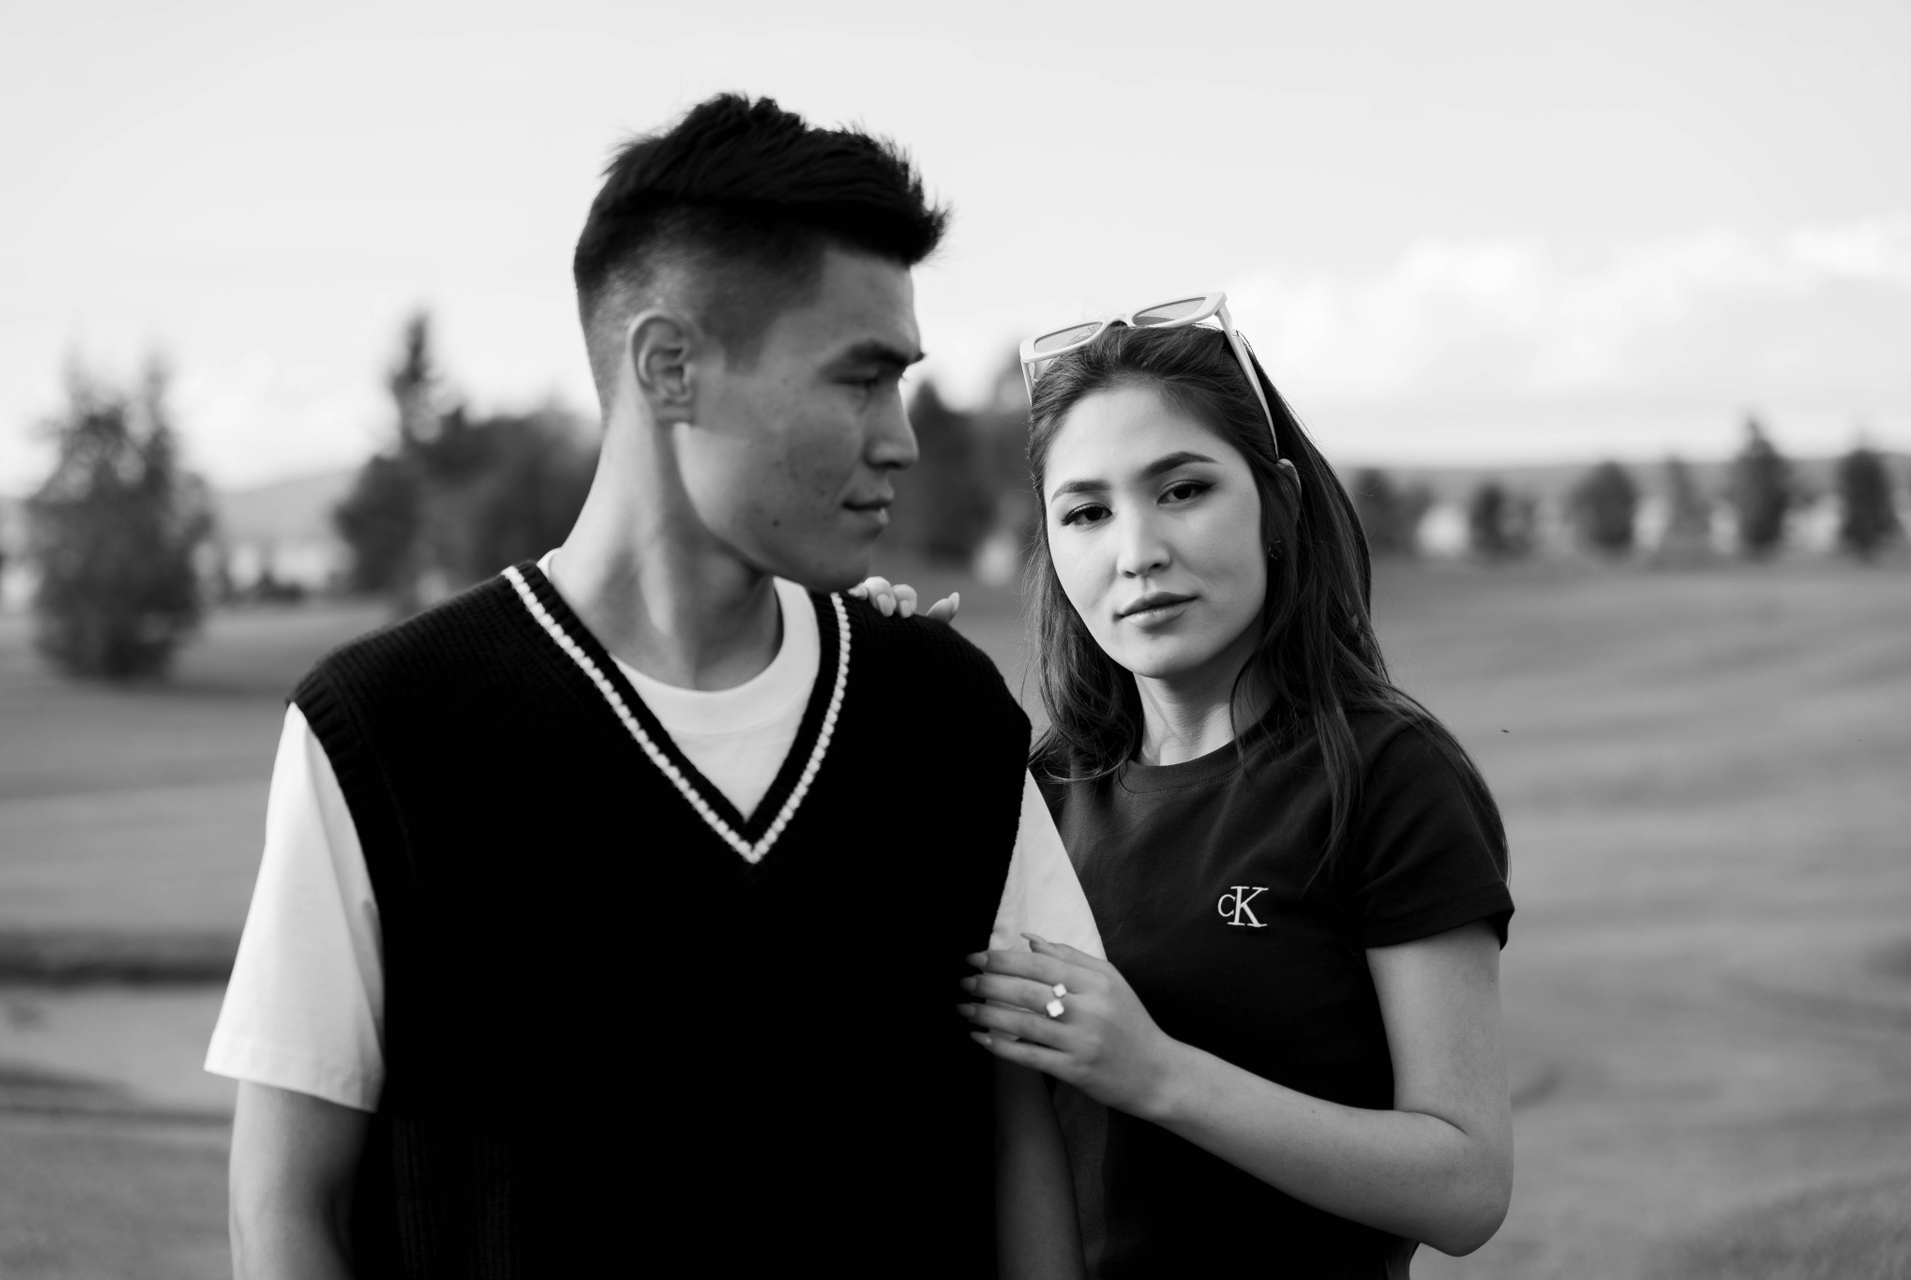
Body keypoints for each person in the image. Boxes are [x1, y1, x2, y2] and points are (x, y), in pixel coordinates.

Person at [207, 94, 1098, 1278]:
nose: (900, 437)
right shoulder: (383, 729)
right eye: (859, 377)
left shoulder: (945, 715)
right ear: (670, 366)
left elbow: (1024, 1132)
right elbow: (285, 1209)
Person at [957, 298, 1514, 1277]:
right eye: (1086, 512)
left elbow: (1465, 1186)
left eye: (1182, 490)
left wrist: (1158, 1074)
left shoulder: (1384, 775)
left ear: (1279, 504)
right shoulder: (1038, 792)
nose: (1137, 552)